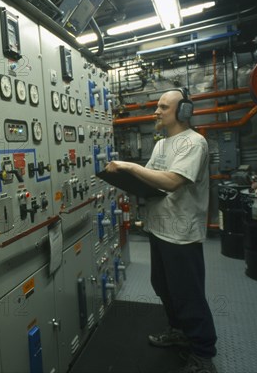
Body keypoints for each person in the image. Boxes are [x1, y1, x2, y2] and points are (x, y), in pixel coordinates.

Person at [105, 89, 217, 373]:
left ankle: (204, 354)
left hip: (181, 233)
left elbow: (171, 182)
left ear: (183, 112)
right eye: (157, 106)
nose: (156, 112)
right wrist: (128, 178)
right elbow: (152, 181)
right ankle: (179, 331)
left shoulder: (194, 143)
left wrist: (129, 166)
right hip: (159, 228)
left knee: (187, 294)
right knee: (163, 287)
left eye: (162, 107)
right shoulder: (161, 145)